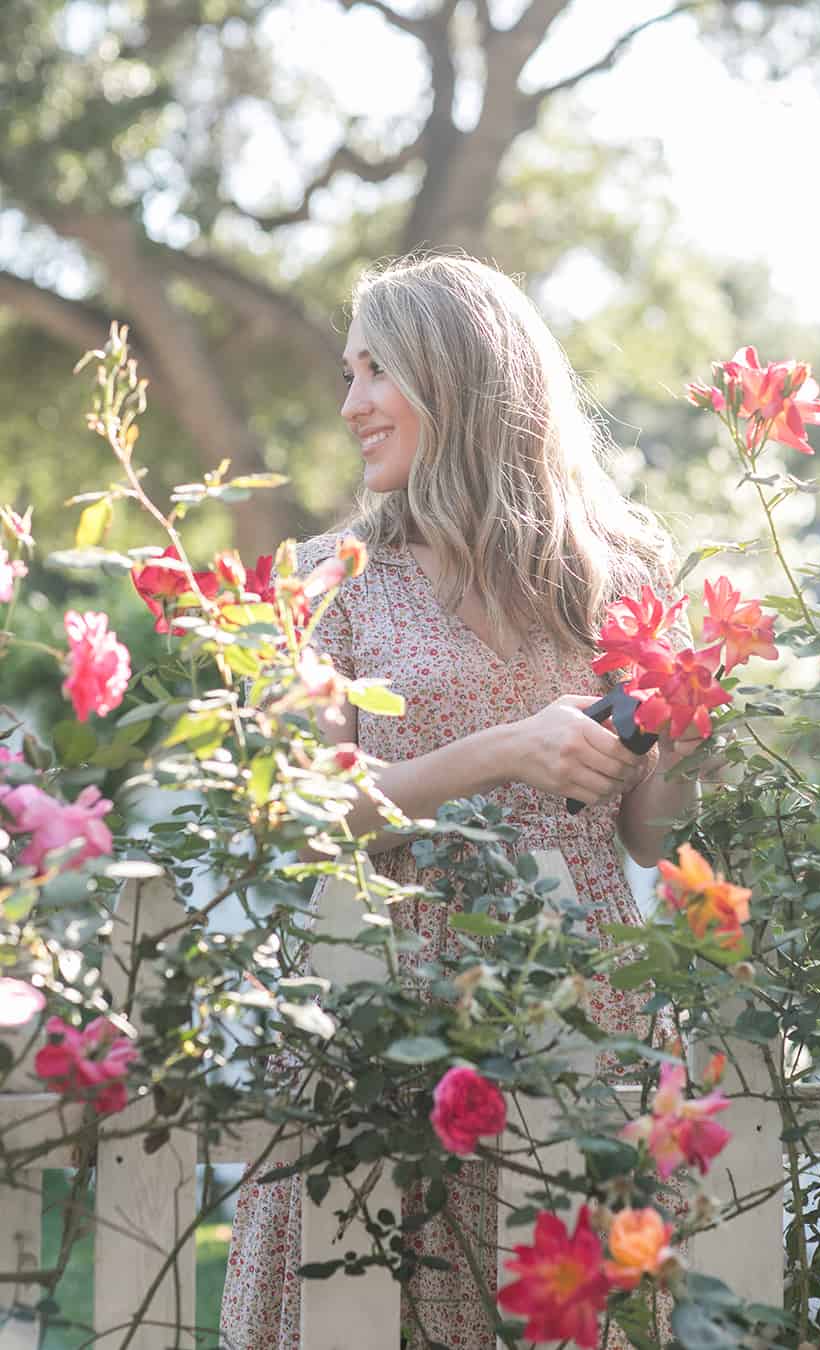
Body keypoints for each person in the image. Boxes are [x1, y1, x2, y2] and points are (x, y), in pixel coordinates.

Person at [220, 253, 700, 1349]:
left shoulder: (619, 573)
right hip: (384, 1008)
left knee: (562, 1312)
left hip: (580, 1009)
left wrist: (681, 726)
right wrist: (500, 750)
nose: (350, 406)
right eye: (348, 374)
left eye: (376, 370)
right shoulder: (331, 580)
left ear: (461, 376)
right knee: (364, 1306)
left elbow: (650, 834)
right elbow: (314, 814)